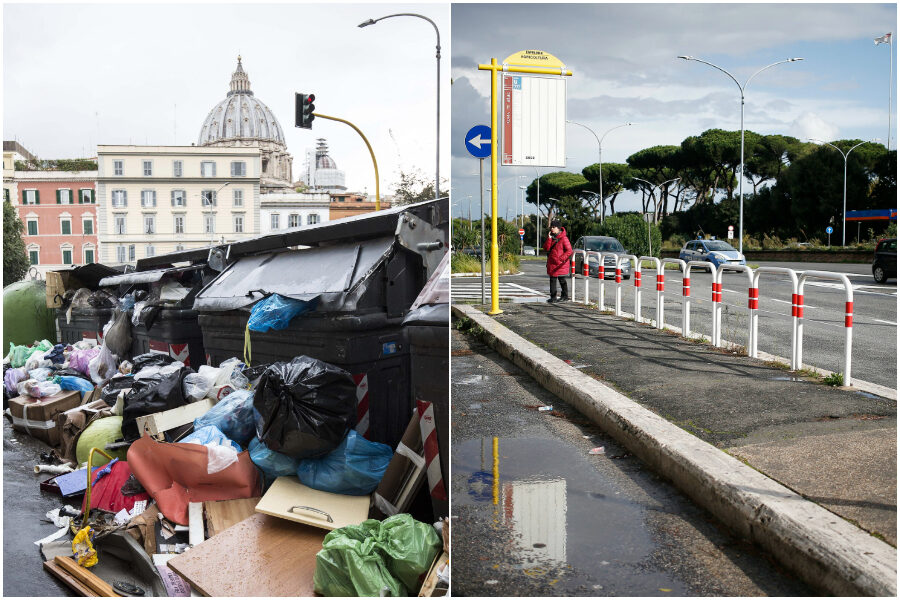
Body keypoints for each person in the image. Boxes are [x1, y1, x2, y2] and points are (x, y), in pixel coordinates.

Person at [542, 219, 573, 303]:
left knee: (562, 280)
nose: (552, 229)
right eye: (551, 227)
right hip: (552, 263)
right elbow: (546, 248)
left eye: (554, 227)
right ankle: (553, 297)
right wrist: (548, 239)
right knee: (552, 279)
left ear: (559, 228)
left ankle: (565, 296)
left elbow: (569, 250)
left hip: (560, 264)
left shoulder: (564, 238)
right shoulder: (551, 238)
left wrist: (561, 259)